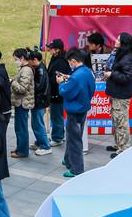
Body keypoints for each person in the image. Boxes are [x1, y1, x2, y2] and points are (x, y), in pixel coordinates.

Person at [58, 49, 95, 177]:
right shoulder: (87, 72)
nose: (69, 64)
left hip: (74, 111)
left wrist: (61, 83)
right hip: (83, 108)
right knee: (73, 137)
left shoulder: (76, 77)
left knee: (74, 140)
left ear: (73, 61)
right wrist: (69, 78)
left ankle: (76, 169)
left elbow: (65, 92)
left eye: (70, 62)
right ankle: (68, 159)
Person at [105, 33, 132, 157]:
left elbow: (127, 77)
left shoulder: (127, 58)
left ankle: (124, 150)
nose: (116, 41)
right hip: (115, 93)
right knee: (116, 120)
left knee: (121, 122)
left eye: (118, 39)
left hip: (121, 96)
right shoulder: (119, 54)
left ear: (124, 43)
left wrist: (112, 74)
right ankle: (118, 144)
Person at [10, 48, 36, 159]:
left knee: (21, 129)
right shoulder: (24, 69)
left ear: (22, 58)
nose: (15, 61)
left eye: (16, 59)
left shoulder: (26, 70)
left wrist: (12, 82)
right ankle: (19, 148)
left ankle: (22, 151)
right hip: (20, 102)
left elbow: (22, 88)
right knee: (19, 128)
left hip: (23, 103)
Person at [27, 49, 52, 155]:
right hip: (39, 100)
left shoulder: (40, 70)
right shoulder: (39, 68)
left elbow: (38, 86)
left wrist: (28, 84)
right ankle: (39, 142)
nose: (28, 62)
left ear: (35, 60)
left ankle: (45, 146)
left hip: (40, 101)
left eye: (29, 60)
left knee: (38, 124)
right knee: (35, 123)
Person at [45, 39, 68, 146]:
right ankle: (59, 135)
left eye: (51, 48)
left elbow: (59, 78)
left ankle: (58, 138)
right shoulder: (56, 58)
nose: (49, 50)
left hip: (57, 93)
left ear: (57, 50)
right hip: (55, 92)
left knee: (56, 116)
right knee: (56, 115)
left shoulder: (60, 62)